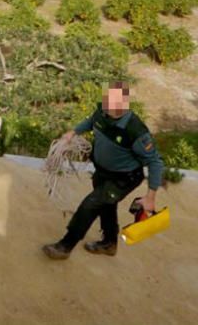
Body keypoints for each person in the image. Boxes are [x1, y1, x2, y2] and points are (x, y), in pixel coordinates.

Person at [42, 81, 165, 260]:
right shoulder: (102, 112)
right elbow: (91, 121)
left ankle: (65, 246)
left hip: (123, 179)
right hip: (102, 172)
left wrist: (150, 197)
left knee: (90, 205)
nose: (106, 106)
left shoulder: (135, 131)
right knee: (107, 205)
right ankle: (109, 243)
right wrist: (73, 132)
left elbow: (155, 162)